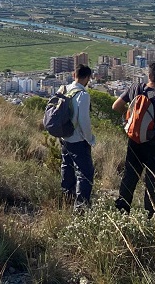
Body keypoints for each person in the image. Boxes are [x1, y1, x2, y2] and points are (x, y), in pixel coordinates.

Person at [112, 61, 155, 218]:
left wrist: (129, 118)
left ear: (149, 75)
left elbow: (116, 106)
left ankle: (122, 211)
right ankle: (150, 217)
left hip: (134, 141)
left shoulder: (136, 88)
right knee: (154, 182)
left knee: (130, 176)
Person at [59, 64, 96, 210]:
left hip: (64, 137)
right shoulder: (83, 95)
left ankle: (66, 199)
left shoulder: (63, 89)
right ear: (87, 78)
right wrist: (89, 138)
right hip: (77, 139)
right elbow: (84, 120)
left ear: (74, 75)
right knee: (85, 173)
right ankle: (81, 207)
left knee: (67, 167)